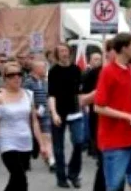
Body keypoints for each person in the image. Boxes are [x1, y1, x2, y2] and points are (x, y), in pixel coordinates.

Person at [94, 33, 131, 191]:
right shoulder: (108, 72)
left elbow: (128, 101)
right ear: (124, 48)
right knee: (115, 185)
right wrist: (128, 116)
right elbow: (98, 106)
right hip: (114, 140)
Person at [0, 62, 48, 191]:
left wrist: (42, 145)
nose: (16, 78)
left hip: (25, 142)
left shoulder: (28, 95)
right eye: (11, 75)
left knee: (16, 181)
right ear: (4, 78)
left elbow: (34, 122)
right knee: (20, 178)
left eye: (19, 74)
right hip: (8, 143)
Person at [80, 40, 121, 191]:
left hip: (119, 124)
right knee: (105, 162)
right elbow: (82, 99)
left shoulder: (125, 72)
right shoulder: (94, 73)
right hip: (99, 124)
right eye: (114, 52)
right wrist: (99, 93)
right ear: (108, 53)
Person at [48, 43, 85, 188]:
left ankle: (73, 174)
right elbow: (51, 95)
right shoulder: (54, 71)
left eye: (65, 50)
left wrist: (83, 106)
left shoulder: (76, 69)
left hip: (75, 111)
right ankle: (61, 177)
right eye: (60, 51)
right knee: (58, 147)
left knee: (79, 142)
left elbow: (79, 91)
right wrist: (54, 113)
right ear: (57, 54)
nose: (64, 53)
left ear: (69, 52)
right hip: (59, 112)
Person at [23, 59, 55, 170]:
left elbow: (48, 96)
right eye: (43, 67)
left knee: (47, 136)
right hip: (32, 115)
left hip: (45, 114)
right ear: (36, 69)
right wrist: (33, 110)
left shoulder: (45, 82)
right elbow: (26, 98)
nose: (45, 70)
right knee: (30, 138)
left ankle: (51, 161)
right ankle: (27, 160)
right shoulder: (28, 82)